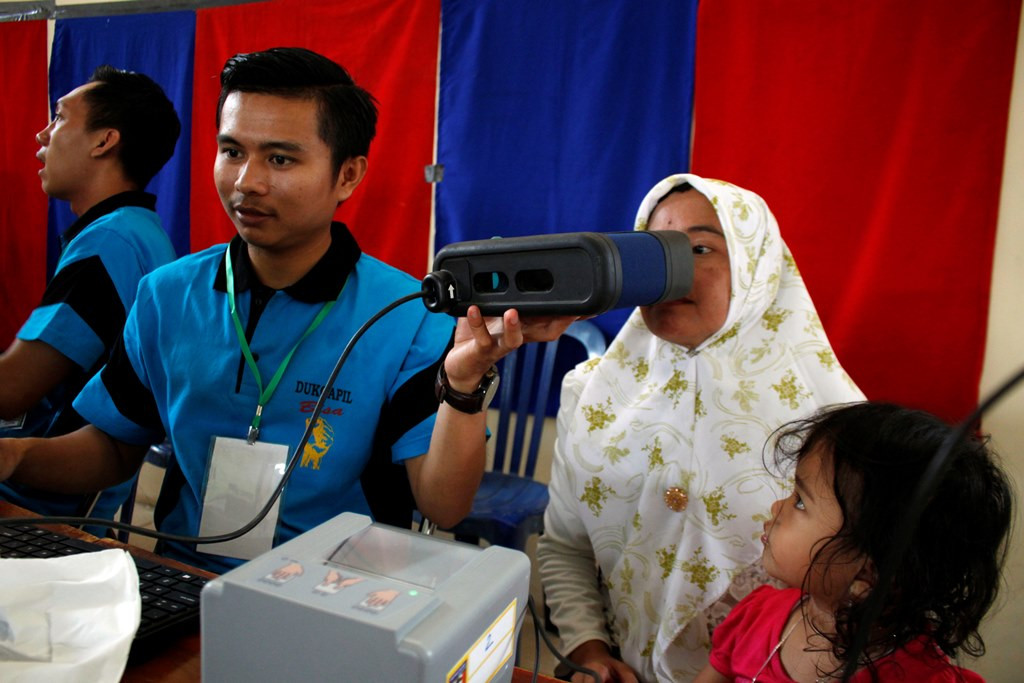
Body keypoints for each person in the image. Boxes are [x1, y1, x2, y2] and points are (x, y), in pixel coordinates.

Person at [0, 47, 573, 572]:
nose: (246, 183)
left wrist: (463, 384)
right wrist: (16, 454)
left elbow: (444, 507)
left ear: (347, 174)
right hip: (186, 581)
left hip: (335, 597)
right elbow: (113, 443)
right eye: (231, 151)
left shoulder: (407, 317)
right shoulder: (165, 295)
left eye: (280, 159)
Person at [537, 173, 865, 682]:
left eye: (701, 249)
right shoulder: (593, 394)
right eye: (655, 250)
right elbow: (565, 547)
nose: (670, 271)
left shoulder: (837, 428)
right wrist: (589, 650)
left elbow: (853, 597)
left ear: (755, 268)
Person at [695, 402, 1012, 682]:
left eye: (801, 502)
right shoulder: (757, 614)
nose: (777, 508)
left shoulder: (923, 678)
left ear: (869, 575)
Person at [0, 65, 180, 521]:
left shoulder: (110, 243)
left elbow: (12, 389)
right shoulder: (138, 232)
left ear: (104, 141)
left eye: (59, 118)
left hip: (41, 502)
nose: (43, 134)